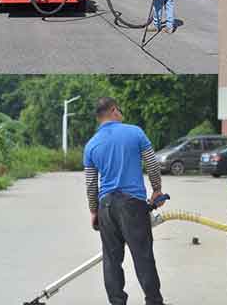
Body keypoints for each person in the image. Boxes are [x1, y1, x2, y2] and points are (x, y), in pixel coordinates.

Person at [84, 97, 166, 305]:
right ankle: (154, 302)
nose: (121, 114)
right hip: (132, 205)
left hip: (106, 207)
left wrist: (94, 211)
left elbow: (91, 183)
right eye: (119, 110)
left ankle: (117, 302)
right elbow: (152, 164)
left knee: (111, 261)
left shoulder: (91, 145)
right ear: (113, 111)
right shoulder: (134, 132)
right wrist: (156, 190)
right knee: (143, 256)